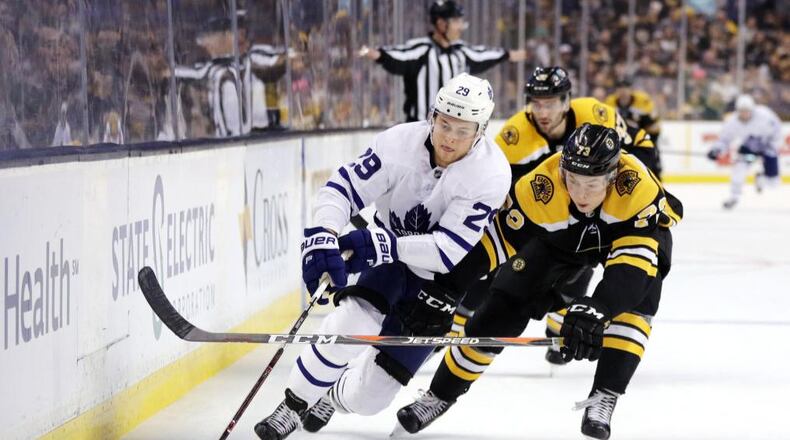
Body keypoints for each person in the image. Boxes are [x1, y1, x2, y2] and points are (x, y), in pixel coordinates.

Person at [253, 72, 511, 440]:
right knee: (351, 324)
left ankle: (331, 395)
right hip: (390, 263)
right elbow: (342, 188)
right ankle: (292, 407)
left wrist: (381, 243)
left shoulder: (491, 173)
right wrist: (324, 234)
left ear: (481, 130)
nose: (450, 137)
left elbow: (447, 252)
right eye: (445, 123)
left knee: (369, 398)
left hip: (440, 284)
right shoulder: (398, 143)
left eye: (464, 129)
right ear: (432, 115)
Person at [396, 124, 683, 440]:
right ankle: (439, 395)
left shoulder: (637, 187)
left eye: (591, 184)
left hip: (628, 234)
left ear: (612, 177)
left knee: (640, 297)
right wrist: (448, 288)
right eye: (572, 181)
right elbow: (494, 242)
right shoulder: (540, 186)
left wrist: (599, 308)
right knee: (501, 308)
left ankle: (605, 393)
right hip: (561, 240)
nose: (580, 193)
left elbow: (631, 269)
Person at [445, 66, 659, 366]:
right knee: (496, 262)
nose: (542, 111)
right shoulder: (516, 132)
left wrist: (644, 194)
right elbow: (492, 177)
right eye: (536, 102)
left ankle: (559, 327)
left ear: (567, 101)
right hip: (542, 200)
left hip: (590, 200)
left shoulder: (596, 115)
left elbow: (636, 147)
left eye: (551, 102)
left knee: (581, 259)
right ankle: (456, 326)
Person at [359, 0, 526, 122]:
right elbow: (398, 56)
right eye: (456, 21)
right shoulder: (422, 50)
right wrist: (375, 53)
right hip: (421, 127)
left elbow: (483, 54)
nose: (461, 26)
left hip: (452, 126)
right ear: (440, 24)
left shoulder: (461, 51)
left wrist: (508, 54)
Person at [707, 94, 782, 209]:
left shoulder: (765, 115)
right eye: (741, 111)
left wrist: (773, 146)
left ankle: (761, 178)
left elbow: (777, 130)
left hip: (767, 146)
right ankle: (734, 197)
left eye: (746, 111)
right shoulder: (732, 122)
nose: (744, 114)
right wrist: (716, 150)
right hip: (749, 147)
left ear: (752, 109)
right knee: (739, 169)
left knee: (773, 182)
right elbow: (724, 140)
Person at [605, 77, 664, 178]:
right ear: (616, 90)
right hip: (620, 144)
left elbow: (654, 126)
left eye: (626, 87)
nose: (623, 91)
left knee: (652, 169)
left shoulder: (643, 101)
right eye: (620, 87)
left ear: (631, 89)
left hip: (641, 141)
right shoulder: (609, 103)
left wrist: (648, 144)